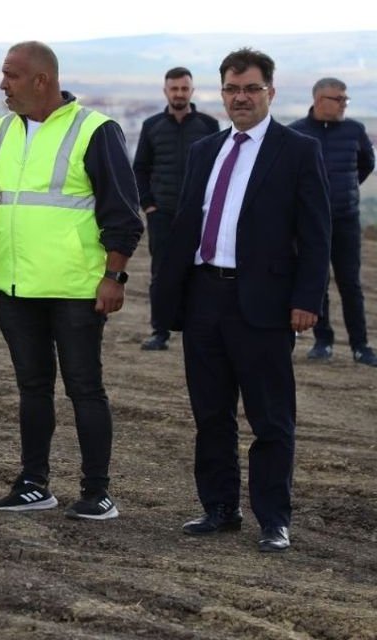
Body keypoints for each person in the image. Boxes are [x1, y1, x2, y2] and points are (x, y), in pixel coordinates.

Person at [154, 49, 330, 552]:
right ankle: (219, 509)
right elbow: (188, 221)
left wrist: (307, 300)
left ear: (270, 92)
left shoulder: (296, 150)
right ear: (222, 92)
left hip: (265, 305)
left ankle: (273, 519)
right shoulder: (205, 150)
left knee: (271, 419)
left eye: (251, 89)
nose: (241, 98)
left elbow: (315, 236)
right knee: (211, 415)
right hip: (204, 296)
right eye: (232, 89)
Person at [0, 41, 143, 520]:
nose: (2, 84)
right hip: (16, 287)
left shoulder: (95, 131)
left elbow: (123, 214)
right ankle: (33, 483)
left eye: (11, 75)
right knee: (32, 388)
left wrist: (114, 276)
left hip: (75, 289)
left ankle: (97, 492)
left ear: (41, 81)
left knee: (85, 389)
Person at [289, 78, 377, 366]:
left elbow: (366, 164)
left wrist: (346, 189)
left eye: (345, 99)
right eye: (338, 99)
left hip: (346, 219)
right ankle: (322, 341)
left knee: (350, 283)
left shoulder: (355, 130)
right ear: (318, 100)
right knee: (318, 281)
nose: (343, 104)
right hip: (310, 223)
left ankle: (360, 346)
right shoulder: (297, 133)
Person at [134, 67, 220, 351]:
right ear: (166, 91)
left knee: (201, 273)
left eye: (184, 88)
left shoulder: (208, 125)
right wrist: (148, 205)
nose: (179, 93)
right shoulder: (152, 125)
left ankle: (198, 328)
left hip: (199, 215)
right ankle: (160, 331)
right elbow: (140, 169)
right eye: (174, 89)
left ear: (192, 91)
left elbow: (218, 169)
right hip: (162, 214)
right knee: (161, 274)